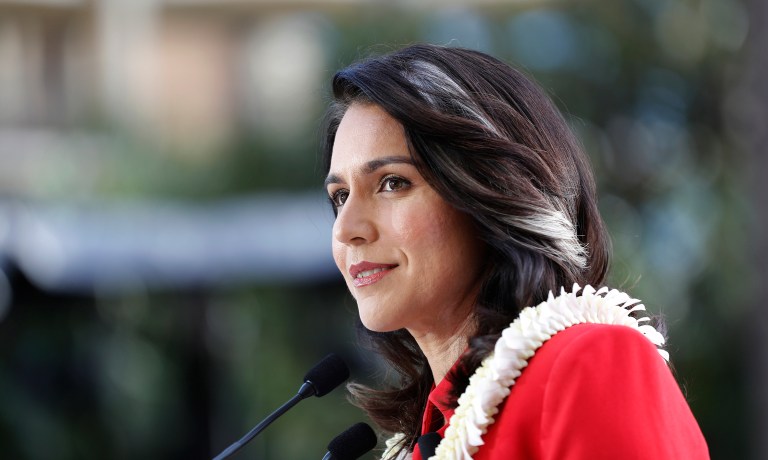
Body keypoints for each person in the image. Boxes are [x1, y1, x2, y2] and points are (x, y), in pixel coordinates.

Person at [321, 44, 709, 459]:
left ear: (491, 191)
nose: (346, 230)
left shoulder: (588, 364)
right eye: (341, 196)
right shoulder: (427, 439)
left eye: (393, 183)